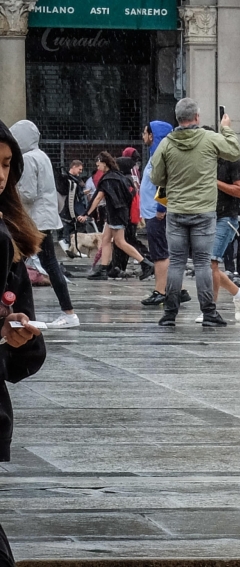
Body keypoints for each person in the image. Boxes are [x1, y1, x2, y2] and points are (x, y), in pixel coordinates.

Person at [0, 122, 48, 567]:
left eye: (6, 164)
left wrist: (17, 335)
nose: (0, 175)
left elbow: (25, 356)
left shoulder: (9, 238)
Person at [149, 97, 240, 327]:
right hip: (204, 211)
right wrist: (226, 129)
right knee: (202, 263)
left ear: (177, 118)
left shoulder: (167, 144)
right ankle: (209, 313)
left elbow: (156, 177)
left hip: (177, 211)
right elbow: (234, 152)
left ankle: (169, 314)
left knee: (176, 262)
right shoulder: (210, 139)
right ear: (197, 117)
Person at [11, 120, 77, 329]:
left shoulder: (28, 158)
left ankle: (66, 312)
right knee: (44, 263)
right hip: (45, 218)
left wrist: (11, 194)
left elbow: (28, 193)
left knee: (18, 262)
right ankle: (66, 312)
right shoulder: (41, 155)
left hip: (33, 220)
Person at [84, 152, 153, 281]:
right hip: (118, 213)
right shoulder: (121, 177)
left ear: (105, 163)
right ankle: (104, 269)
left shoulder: (109, 179)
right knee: (106, 239)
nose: (97, 167)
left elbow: (98, 197)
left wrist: (86, 214)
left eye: (98, 165)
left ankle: (146, 264)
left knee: (120, 242)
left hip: (116, 214)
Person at [139, 122, 182, 307]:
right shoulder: (157, 155)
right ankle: (177, 289)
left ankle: (160, 291)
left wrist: (161, 208)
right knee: (163, 251)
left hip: (155, 213)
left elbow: (164, 183)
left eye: (145, 132)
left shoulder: (160, 156)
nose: (143, 136)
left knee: (160, 253)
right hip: (153, 211)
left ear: (152, 135)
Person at [208, 151, 240, 323]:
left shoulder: (233, 161)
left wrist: (214, 182)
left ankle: (209, 309)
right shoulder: (204, 159)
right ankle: (239, 293)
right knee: (208, 266)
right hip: (206, 216)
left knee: (211, 263)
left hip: (226, 218)